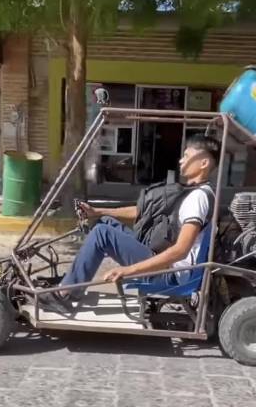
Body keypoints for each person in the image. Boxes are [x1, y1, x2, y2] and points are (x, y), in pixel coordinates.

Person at [38, 134, 220, 313]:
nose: (181, 161)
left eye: (187, 156)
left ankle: (65, 293)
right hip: (164, 260)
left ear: (203, 163)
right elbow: (144, 212)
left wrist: (127, 270)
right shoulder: (193, 192)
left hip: (170, 275)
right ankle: (73, 282)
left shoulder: (197, 198)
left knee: (102, 233)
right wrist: (98, 211)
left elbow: (181, 250)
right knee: (104, 222)